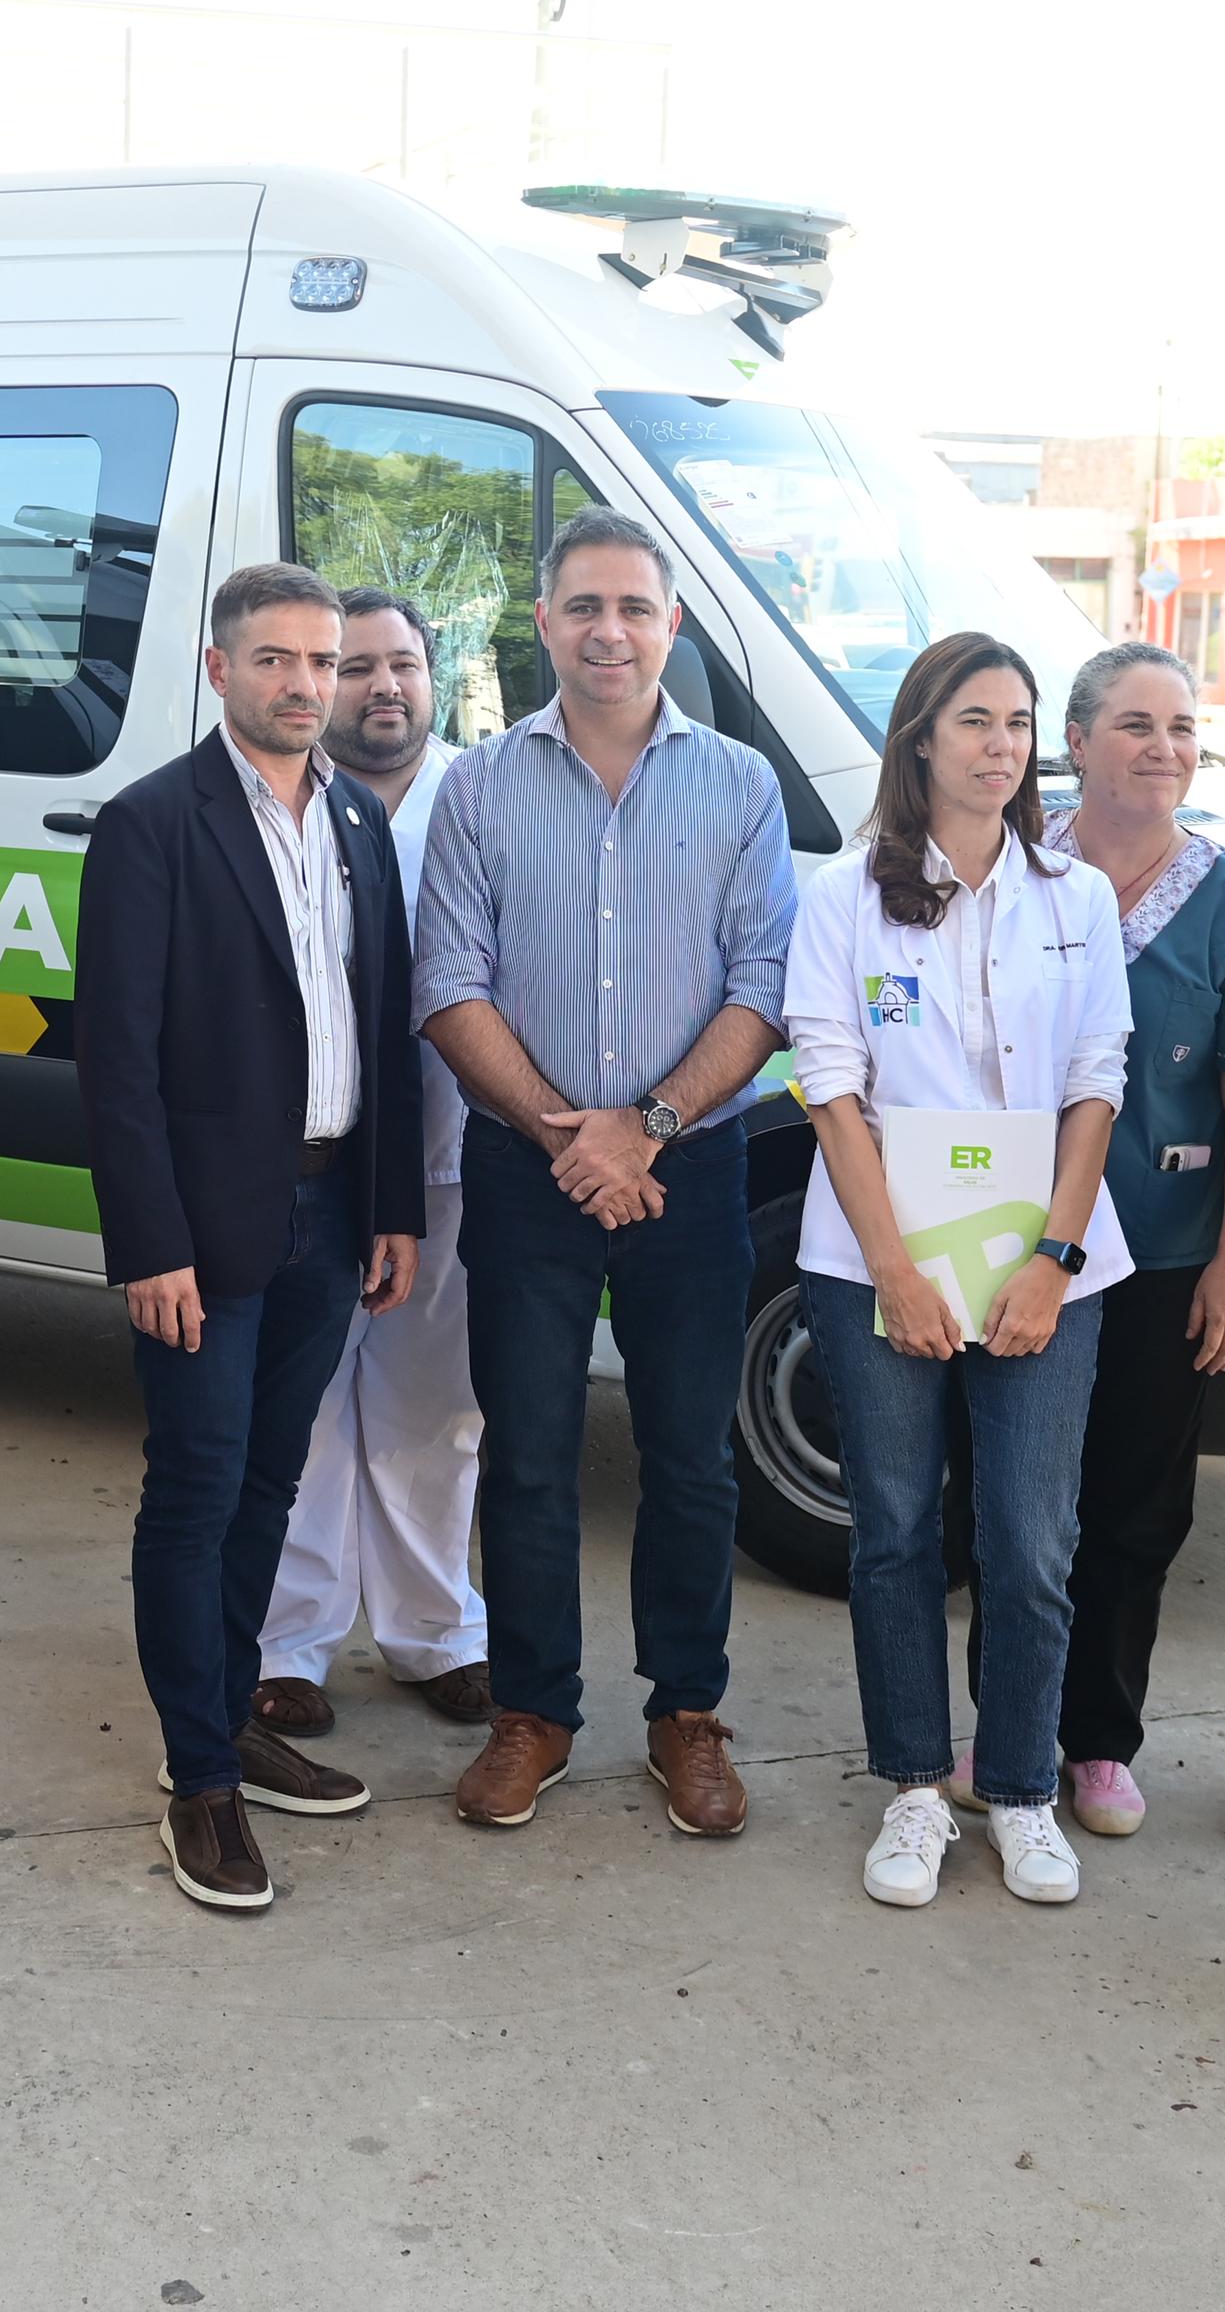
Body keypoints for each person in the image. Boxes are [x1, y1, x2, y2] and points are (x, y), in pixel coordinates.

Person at [416, 509, 795, 1837]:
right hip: (527, 1173)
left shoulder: (740, 785)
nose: (609, 630)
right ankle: (534, 1712)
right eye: (583, 605)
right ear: (543, 622)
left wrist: (648, 1126)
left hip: (689, 1172)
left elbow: (764, 987)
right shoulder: (477, 787)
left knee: (691, 1455)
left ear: (671, 625)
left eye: (634, 606)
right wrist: (569, 1137)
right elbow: (448, 983)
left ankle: (685, 1712)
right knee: (526, 1453)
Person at [80, 564, 426, 1910]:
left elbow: (380, 1021)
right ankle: (199, 1777)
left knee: (269, 1483)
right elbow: (118, 1060)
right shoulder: (151, 824)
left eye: (322, 661)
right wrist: (148, 1243)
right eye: (274, 659)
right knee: (196, 1488)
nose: (304, 683)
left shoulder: (355, 820)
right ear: (219, 668)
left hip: (331, 1215)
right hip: (204, 1229)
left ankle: (230, 1715)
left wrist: (390, 1206)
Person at [791, 633, 1132, 1907]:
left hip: (1044, 1262)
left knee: (1031, 1539)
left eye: (1017, 722)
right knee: (892, 1530)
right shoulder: (844, 895)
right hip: (875, 1260)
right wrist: (894, 1268)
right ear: (919, 737)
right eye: (974, 719)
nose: (1000, 745)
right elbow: (829, 1084)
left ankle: (1023, 1788)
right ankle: (914, 1788)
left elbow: (1095, 1082)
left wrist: (1051, 1258)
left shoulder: (1074, 896)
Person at [980, 643, 1225, 1839]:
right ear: (1073, 741)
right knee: (1011, 1503)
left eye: (1180, 727)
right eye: (1133, 724)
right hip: (1010, 1241)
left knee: (1133, 1504)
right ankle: (1003, 1728)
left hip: (1163, 1251)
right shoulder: (1007, 867)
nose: (1162, 748)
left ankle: (1097, 1741)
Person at [255, 588, 490, 1735]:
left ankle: (433, 1631)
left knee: (434, 1410)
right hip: (309, 1162)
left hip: (449, 1151)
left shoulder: (479, 796)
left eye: (403, 664)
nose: (383, 686)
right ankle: (285, 1644)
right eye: (356, 666)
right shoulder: (279, 801)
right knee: (299, 1408)